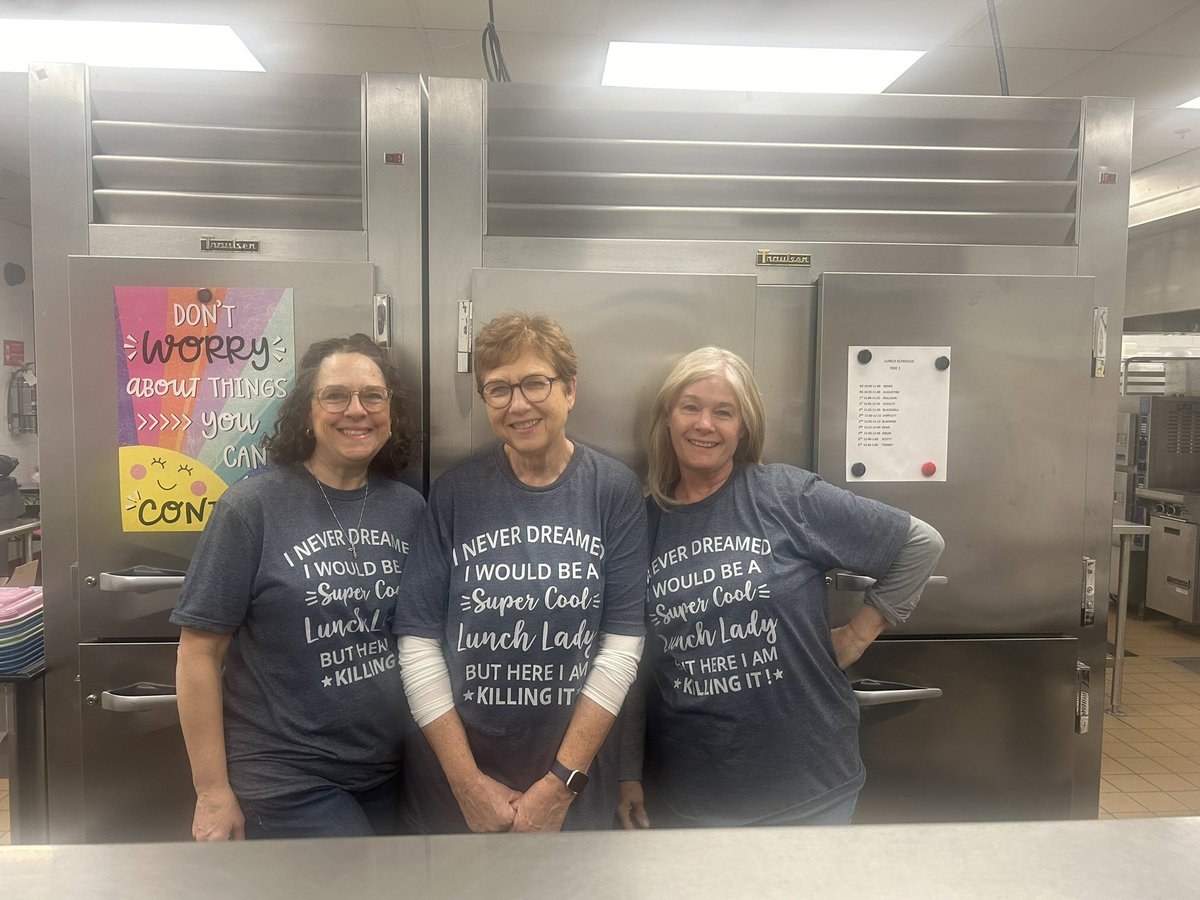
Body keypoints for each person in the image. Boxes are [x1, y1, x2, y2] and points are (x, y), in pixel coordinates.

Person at [619, 346, 944, 829]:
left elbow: (921, 544)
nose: (704, 424)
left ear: (743, 426)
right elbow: (635, 664)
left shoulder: (785, 495)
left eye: (723, 412)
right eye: (690, 406)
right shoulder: (641, 524)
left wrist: (856, 636)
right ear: (668, 416)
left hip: (809, 788)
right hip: (694, 797)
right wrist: (627, 772)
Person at [394, 312, 647, 833]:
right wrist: (468, 785)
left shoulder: (613, 492)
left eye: (535, 383)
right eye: (498, 389)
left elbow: (621, 647)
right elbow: (417, 645)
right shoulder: (454, 493)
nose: (518, 404)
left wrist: (560, 785)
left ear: (570, 389)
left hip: (571, 793)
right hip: (456, 794)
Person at [171, 334, 425, 840]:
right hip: (285, 775)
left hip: (386, 771)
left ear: (390, 412)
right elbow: (198, 653)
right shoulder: (253, 508)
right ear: (308, 412)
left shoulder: (409, 510)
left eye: (373, 396)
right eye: (336, 395)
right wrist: (212, 793)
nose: (357, 410)